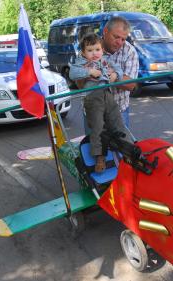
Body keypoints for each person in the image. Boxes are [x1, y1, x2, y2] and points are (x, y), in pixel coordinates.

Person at [69, 33, 130, 172]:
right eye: (90, 51)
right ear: (83, 53)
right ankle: (99, 156)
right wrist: (89, 71)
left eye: (97, 49)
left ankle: (128, 150)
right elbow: (72, 73)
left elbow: (119, 69)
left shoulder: (106, 60)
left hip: (107, 94)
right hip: (92, 96)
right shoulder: (81, 62)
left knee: (118, 122)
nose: (94, 53)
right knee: (97, 126)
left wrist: (115, 75)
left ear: (102, 50)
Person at [101, 16, 139, 128]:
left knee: (122, 145)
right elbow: (79, 83)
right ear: (105, 31)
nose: (119, 42)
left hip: (119, 111)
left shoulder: (129, 51)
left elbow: (132, 85)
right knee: (94, 145)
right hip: (93, 112)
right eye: (116, 37)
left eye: (123, 39)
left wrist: (114, 75)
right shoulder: (89, 47)